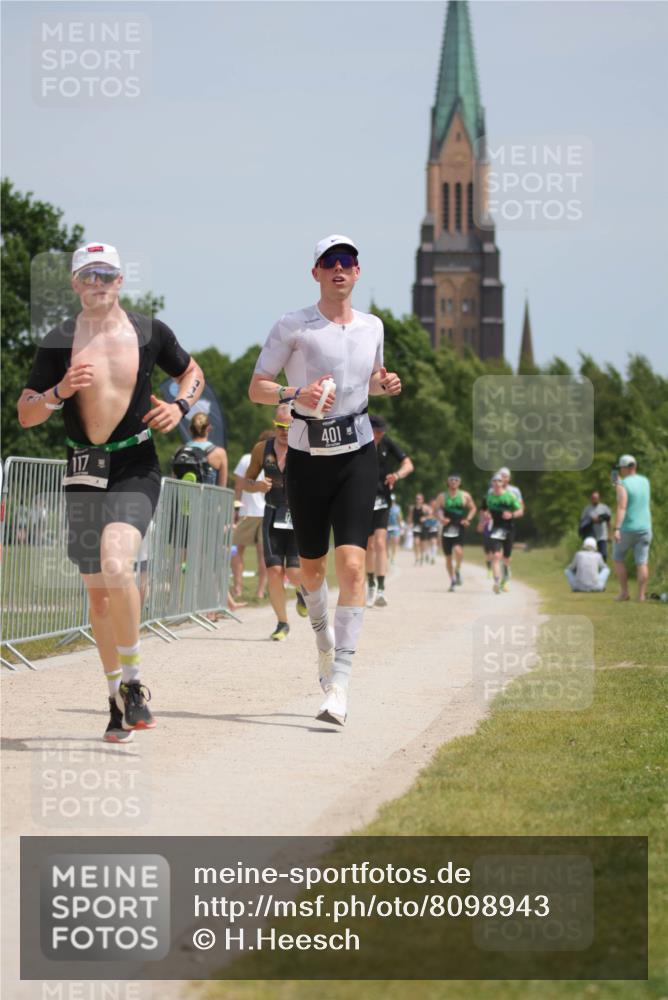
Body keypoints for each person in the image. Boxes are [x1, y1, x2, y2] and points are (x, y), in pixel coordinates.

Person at [17, 242, 204, 742]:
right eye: (86, 276)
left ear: (120, 280)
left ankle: (136, 681)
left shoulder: (148, 333)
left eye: (106, 275)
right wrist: (58, 393)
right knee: (97, 597)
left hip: (134, 461)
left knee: (119, 564)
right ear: (75, 284)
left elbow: (192, 372)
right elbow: (26, 411)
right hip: (83, 467)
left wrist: (180, 406)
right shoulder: (59, 342)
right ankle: (114, 697)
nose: (96, 284)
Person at [248, 234, 402, 725]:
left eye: (348, 262)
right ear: (315, 272)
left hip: (357, 455)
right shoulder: (293, 326)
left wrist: (385, 383)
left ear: (358, 272)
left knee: (353, 568)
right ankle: (321, 644)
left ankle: (339, 684)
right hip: (307, 456)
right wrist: (299, 392)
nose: (339, 269)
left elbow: (369, 379)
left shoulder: (373, 326)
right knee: (311, 573)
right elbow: (257, 388)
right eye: (329, 262)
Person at [238, 405, 307, 639]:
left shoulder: (306, 446)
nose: (284, 431)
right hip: (272, 513)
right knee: (275, 571)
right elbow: (246, 481)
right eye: (280, 426)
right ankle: (282, 623)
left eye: (288, 427)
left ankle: (302, 592)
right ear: (274, 424)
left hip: (299, 516)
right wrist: (256, 486)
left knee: (295, 572)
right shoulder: (262, 449)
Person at [365, 414, 413, 607]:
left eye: (382, 432)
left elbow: (409, 465)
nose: (379, 435)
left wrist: (397, 475)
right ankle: (370, 585)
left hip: (382, 499)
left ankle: (382, 589)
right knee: (368, 545)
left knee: (380, 543)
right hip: (363, 500)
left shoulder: (387, 443)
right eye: (376, 432)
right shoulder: (359, 442)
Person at [612, 454, 652, 602]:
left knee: (618, 557)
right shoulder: (645, 481)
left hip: (628, 528)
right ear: (634, 466)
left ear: (623, 467)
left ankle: (624, 593)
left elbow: (622, 506)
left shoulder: (623, 483)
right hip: (645, 527)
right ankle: (641, 595)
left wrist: (617, 528)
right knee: (642, 562)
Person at [231, 446, 268, 600]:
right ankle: (260, 591)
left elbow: (238, 486)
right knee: (263, 554)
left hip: (247, 512)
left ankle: (238, 587)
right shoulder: (273, 459)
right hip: (267, 512)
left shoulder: (246, 458)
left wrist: (235, 509)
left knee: (236, 552)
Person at [435, 475, 477, 592]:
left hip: (459, 527)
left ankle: (457, 570)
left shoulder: (465, 495)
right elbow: (436, 510)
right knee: (448, 557)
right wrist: (441, 518)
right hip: (447, 527)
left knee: (459, 551)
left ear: (459, 482)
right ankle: (452, 580)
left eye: (456, 480)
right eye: (451, 480)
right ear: (448, 482)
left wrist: (468, 519)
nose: (454, 482)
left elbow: (473, 508)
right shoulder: (442, 496)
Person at [486, 474, 523, 593]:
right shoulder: (489, 497)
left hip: (509, 529)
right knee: (496, 555)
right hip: (496, 528)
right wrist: (486, 516)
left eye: (499, 481)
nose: (497, 483)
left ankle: (504, 581)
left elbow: (520, 510)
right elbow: (485, 510)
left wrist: (512, 515)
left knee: (506, 558)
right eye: (494, 481)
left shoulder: (510, 496)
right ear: (492, 483)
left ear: (503, 483)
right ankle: (496, 582)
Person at [185, 412, 228, 486]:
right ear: (209, 428)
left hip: (184, 497)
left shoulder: (181, 451)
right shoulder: (219, 453)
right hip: (206, 497)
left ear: (190, 429)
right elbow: (222, 487)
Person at [579, 490, 611, 561]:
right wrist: (590, 520)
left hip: (602, 535)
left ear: (599, 498)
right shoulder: (587, 509)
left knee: (603, 554)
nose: (594, 499)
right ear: (591, 498)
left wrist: (609, 534)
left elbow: (608, 522)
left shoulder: (604, 508)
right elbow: (582, 522)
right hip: (590, 536)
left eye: (596, 498)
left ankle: (603, 569)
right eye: (593, 498)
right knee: (590, 555)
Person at [408, 492, 429, 565]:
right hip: (416, 526)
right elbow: (410, 517)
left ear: (422, 500)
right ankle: (417, 558)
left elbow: (432, 515)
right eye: (417, 499)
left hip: (424, 527)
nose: (418, 500)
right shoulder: (412, 508)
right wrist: (410, 524)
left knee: (422, 544)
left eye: (419, 499)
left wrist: (425, 518)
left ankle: (422, 556)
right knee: (416, 542)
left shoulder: (425, 507)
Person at [387, 495, 404, 564]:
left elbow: (399, 517)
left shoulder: (397, 508)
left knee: (394, 542)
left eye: (393, 500)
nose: (392, 501)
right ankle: (387, 554)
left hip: (395, 527)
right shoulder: (386, 507)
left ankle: (393, 557)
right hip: (387, 527)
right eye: (391, 500)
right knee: (387, 543)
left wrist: (401, 527)